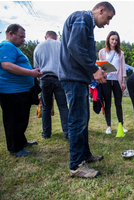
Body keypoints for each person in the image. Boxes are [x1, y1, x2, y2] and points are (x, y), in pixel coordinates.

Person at [59, 2, 115, 178]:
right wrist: (94, 70)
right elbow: (74, 47)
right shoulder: (83, 18)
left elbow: (80, 51)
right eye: (108, 18)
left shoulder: (86, 22)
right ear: (101, 10)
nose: (108, 23)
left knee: (83, 118)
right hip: (73, 78)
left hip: (79, 78)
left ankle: (85, 154)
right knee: (77, 120)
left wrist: (95, 72)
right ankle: (76, 165)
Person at [0, 24, 42, 157]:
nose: (23, 39)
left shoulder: (13, 48)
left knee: (21, 118)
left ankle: (21, 141)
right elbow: (6, 65)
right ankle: (15, 148)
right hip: (11, 91)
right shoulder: (6, 46)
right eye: (21, 36)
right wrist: (30, 73)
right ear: (10, 34)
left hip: (20, 91)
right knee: (13, 119)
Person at [33, 31, 69, 140]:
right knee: (63, 107)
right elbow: (66, 63)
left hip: (44, 79)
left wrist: (41, 80)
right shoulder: (61, 45)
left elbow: (36, 67)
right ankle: (67, 133)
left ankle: (46, 133)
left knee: (46, 108)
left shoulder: (38, 47)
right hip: (59, 79)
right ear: (56, 37)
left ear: (46, 37)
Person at [98, 31, 127, 134]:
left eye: (116, 40)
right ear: (108, 40)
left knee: (118, 103)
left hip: (117, 80)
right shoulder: (102, 52)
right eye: (112, 39)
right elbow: (100, 66)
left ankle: (121, 124)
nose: (114, 41)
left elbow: (123, 68)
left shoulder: (120, 53)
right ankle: (108, 126)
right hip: (106, 80)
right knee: (107, 104)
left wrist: (123, 81)